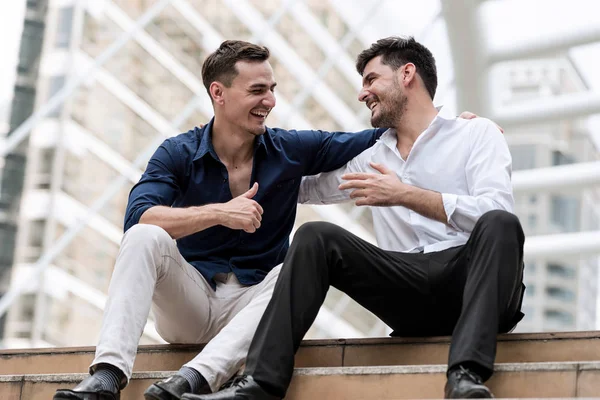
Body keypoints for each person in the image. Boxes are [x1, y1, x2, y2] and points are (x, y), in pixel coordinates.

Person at [185, 37, 525, 400]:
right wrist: (221, 170)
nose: (363, 93)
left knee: (500, 222)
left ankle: (465, 376)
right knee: (316, 236)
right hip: (408, 289)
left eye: (371, 79)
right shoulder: (372, 156)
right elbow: (297, 188)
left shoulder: (476, 134)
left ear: (407, 74)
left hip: (476, 282)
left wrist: (403, 194)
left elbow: (496, 213)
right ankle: (259, 385)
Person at [52, 40, 388, 400]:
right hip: (191, 304)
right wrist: (220, 213)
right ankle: (107, 376)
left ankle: (191, 380)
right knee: (144, 237)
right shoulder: (178, 151)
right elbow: (139, 217)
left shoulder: (290, 149)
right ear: (219, 93)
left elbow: (376, 139)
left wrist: (449, 127)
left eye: (271, 90)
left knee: (299, 264)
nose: (270, 101)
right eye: (257, 90)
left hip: (253, 310)